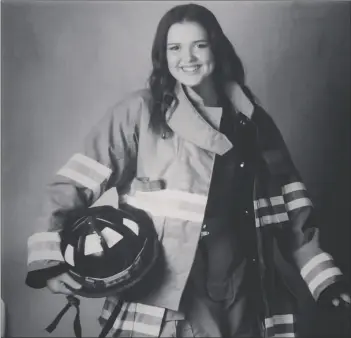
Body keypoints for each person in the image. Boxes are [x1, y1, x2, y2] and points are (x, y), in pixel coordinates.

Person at [26, 3, 350, 338]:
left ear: (216, 47)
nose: (188, 58)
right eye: (175, 48)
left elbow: (292, 206)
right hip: (170, 297)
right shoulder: (139, 113)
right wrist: (49, 262)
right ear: (163, 56)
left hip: (244, 293)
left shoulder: (253, 121)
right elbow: (71, 185)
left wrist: (323, 280)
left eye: (199, 45)